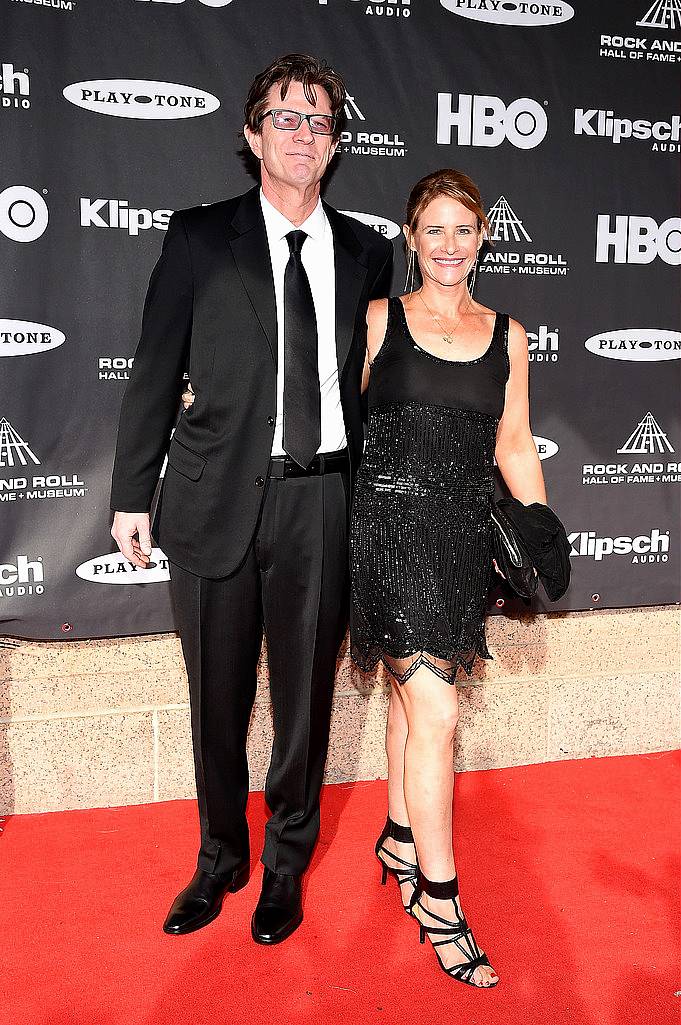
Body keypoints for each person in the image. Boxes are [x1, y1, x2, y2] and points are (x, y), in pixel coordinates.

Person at [109, 53, 393, 945]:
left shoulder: (367, 252)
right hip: (210, 497)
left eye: (317, 121)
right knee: (216, 700)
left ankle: (282, 865)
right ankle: (218, 858)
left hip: (322, 500)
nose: (301, 134)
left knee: (305, 701)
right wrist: (130, 492)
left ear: (335, 143)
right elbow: (155, 368)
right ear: (250, 133)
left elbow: (381, 384)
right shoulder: (198, 238)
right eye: (284, 117)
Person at [350, 169, 548, 987]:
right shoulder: (376, 321)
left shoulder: (507, 333)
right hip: (387, 535)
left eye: (463, 229)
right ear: (409, 236)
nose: (448, 245)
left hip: (461, 540)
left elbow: (513, 440)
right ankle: (439, 896)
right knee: (433, 707)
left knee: (408, 703)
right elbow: (335, 420)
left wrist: (538, 531)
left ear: (482, 238)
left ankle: (397, 836)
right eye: (433, 229)